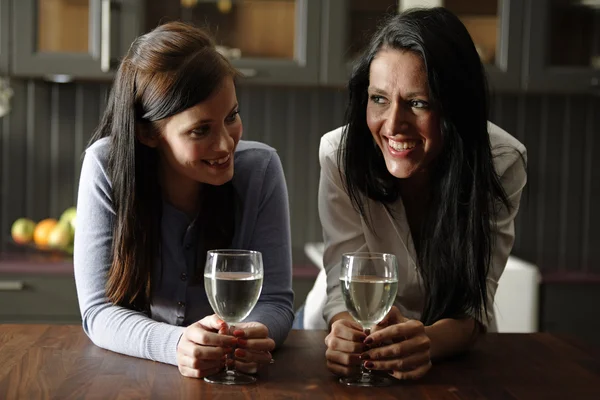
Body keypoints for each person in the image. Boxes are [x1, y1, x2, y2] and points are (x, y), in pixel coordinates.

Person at [73, 21, 294, 379]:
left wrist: (246, 338)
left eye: (232, 116)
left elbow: (276, 303)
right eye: (200, 130)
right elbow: (99, 312)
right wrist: (177, 344)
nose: (225, 144)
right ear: (147, 132)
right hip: (138, 377)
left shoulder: (261, 171)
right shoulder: (106, 167)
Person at [316, 8, 527, 380]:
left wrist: (425, 343)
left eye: (418, 103)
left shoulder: (501, 162)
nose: (394, 125)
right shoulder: (339, 155)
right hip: (350, 337)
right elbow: (342, 290)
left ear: (456, 108)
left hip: (449, 356)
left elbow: (472, 307)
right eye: (379, 99)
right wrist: (344, 333)